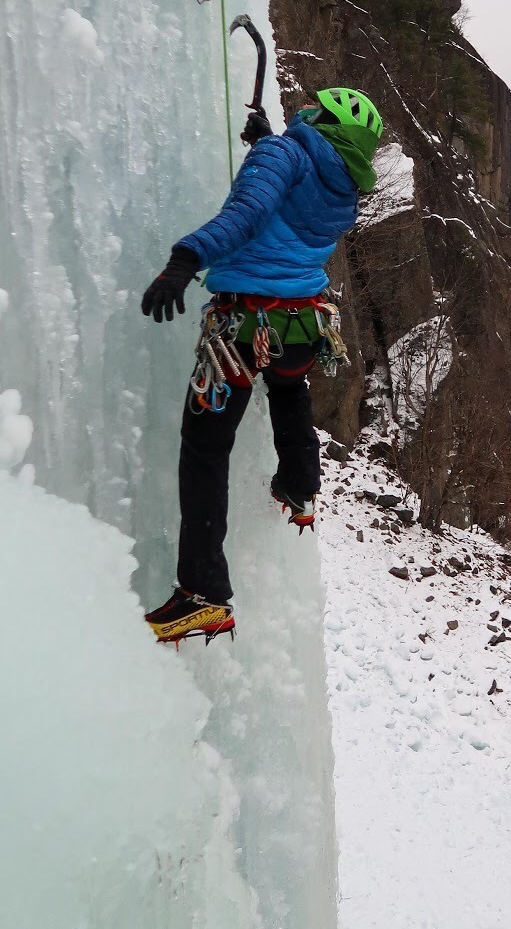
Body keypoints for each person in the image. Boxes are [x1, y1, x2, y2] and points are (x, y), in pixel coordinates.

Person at [141, 88, 383, 644]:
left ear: (325, 122)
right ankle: (299, 486)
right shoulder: (344, 186)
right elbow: (294, 197)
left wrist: (186, 259)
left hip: (245, 328)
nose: (310, 111)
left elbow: (247, 215)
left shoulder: (284, 157)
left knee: (204, 450)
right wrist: (270, 143)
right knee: (289, 393)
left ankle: (203, 593)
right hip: (300, 328)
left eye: (317, 112)